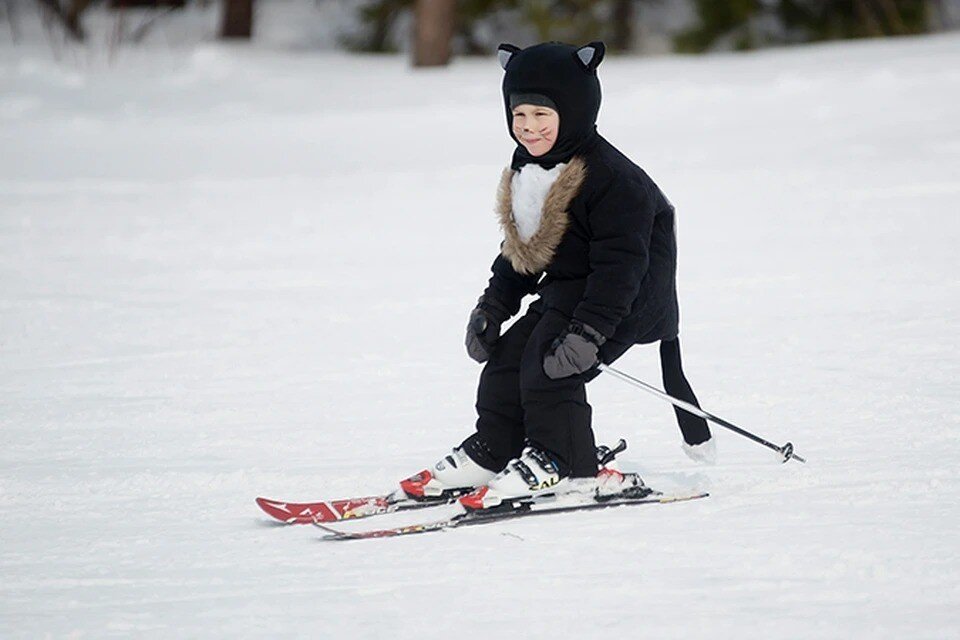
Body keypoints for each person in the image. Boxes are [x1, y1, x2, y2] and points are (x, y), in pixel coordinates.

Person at [402, 41, 715, 510]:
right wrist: (493, 306)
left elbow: (622, 267)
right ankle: (495, 449)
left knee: (549, 367)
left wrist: (588, 333)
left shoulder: (614, 179)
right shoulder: (532, 167)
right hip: (570, 288)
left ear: (574, 109)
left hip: (625, 298)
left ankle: (565, 464)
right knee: (507, 362)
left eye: (541, 115)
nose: (528, 128)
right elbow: (525, 248)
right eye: (519, 115)